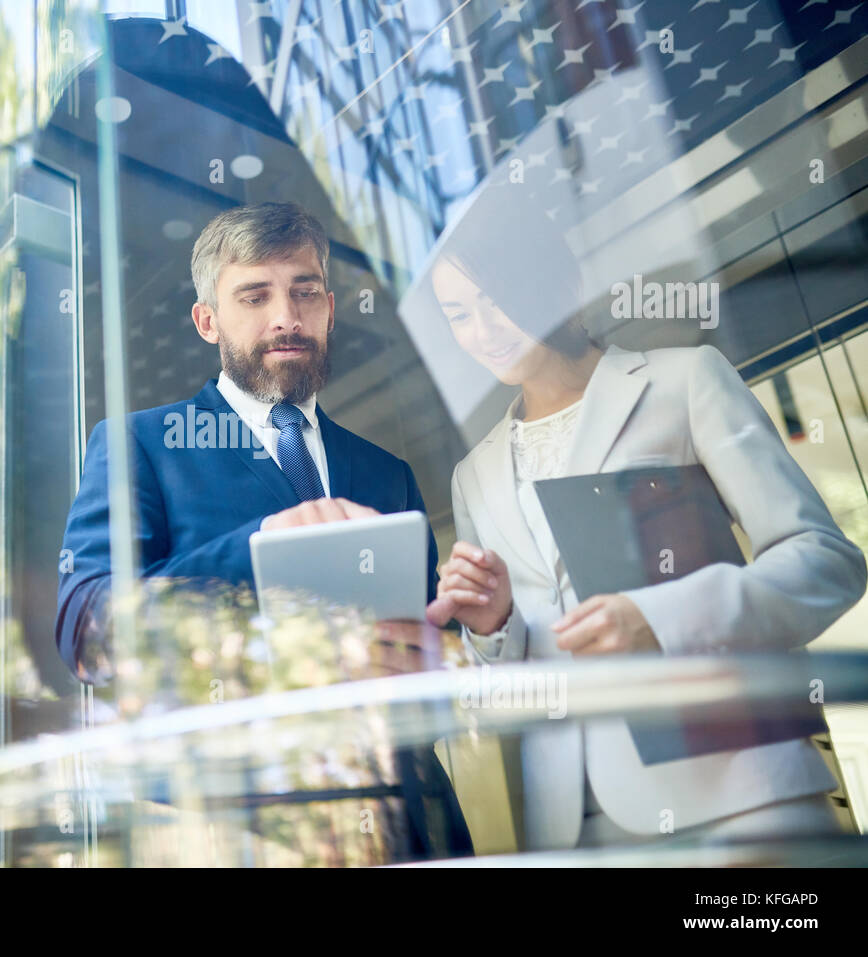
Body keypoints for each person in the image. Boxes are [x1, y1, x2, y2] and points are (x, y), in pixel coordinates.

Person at [423, 185, 867, 850]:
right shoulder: (473, 476)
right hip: (575, 822)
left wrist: (659, 620)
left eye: (494, 298)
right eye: (459, 313)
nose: (481, 330)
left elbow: (825, 560)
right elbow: (508, 685)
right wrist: (493, 631)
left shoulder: (685, 382)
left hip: (735, 791)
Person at [56, 201, 470, 859]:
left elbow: (434, 671)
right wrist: (263, 545)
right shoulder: (140, 444)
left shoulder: (387, 474)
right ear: (207, 320)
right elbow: (86, 626)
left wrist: (437, 654)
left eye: (305, 292)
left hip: (411, 827)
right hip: (239, 825)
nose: (286, 315)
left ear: (330, 309)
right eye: (255, 295)